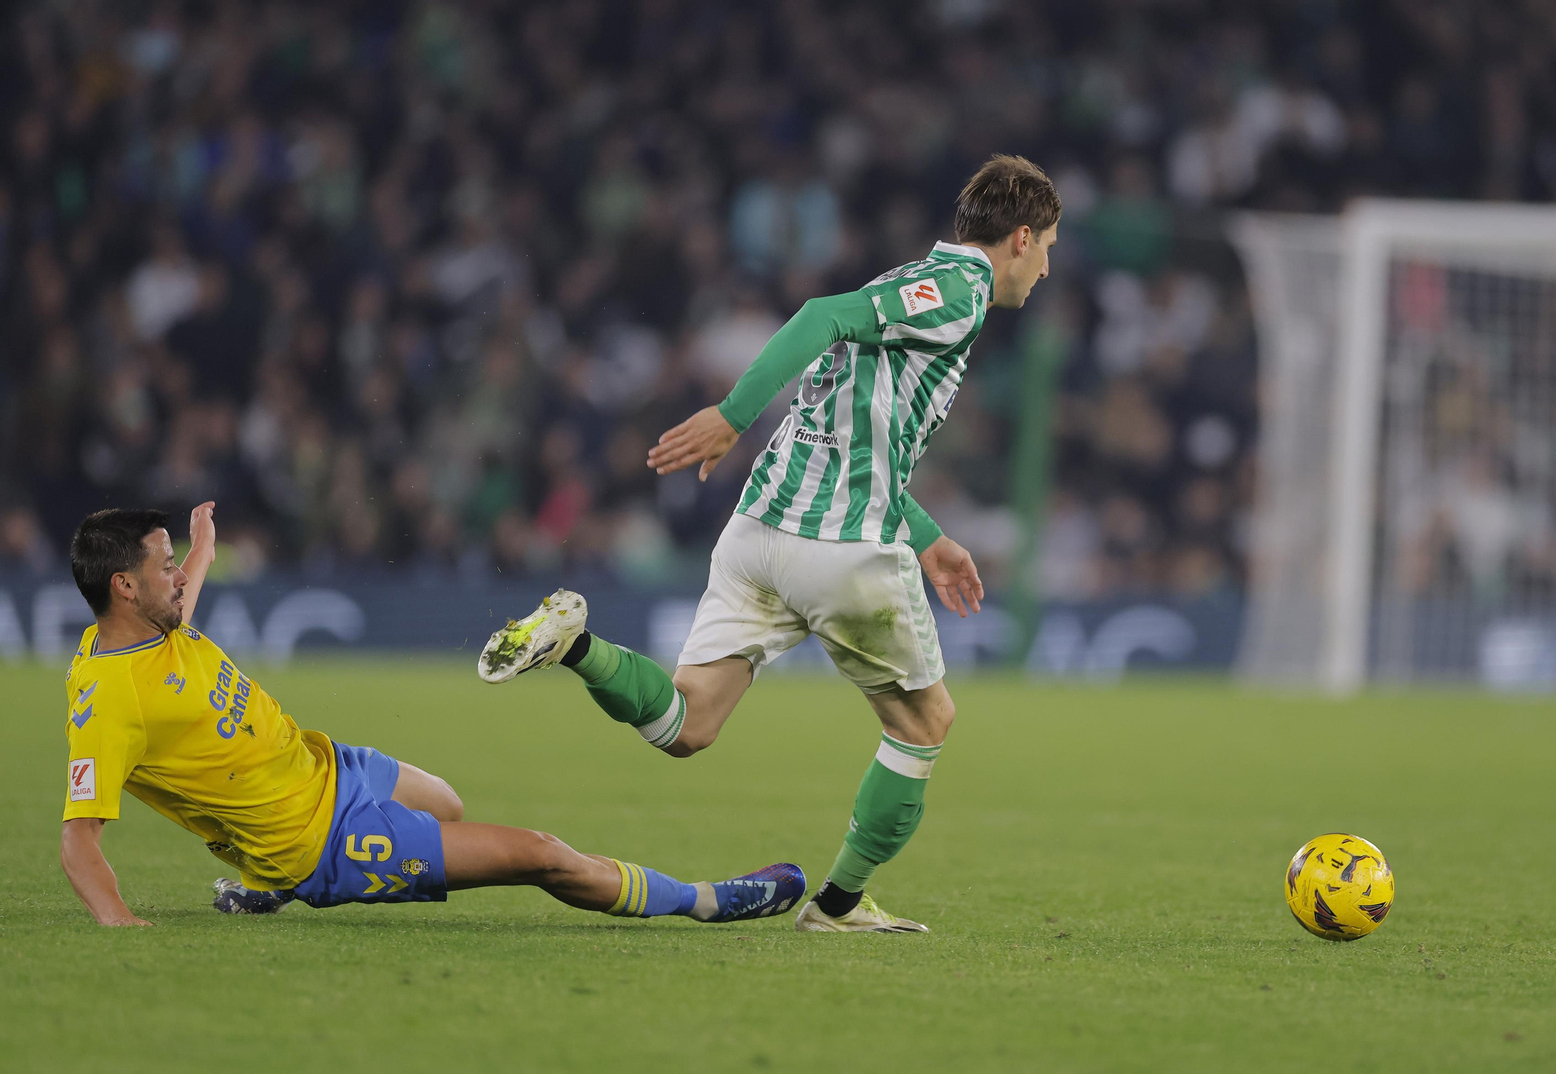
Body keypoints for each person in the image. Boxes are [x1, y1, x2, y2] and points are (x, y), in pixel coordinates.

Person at [479, 155, 1059, 932]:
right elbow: (820, 314)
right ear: (1020, 237)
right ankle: (838, 906)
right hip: (839, 547)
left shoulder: (915, 279)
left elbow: (856, 428)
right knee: (924, 724)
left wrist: (927, 537)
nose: (1047, 268)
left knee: (689, 725)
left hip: (759, 532)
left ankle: (574, 643)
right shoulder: (960, 289)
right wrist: (732, 412)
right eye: (1048, 246)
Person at [59, 503, 804, 925]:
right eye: (165, 566)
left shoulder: (149, 621)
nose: (179, 576)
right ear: (124, 587)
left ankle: (264, 885)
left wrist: (203, 548)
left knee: (446, 802)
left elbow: (183, 592)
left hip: (323, 766)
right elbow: (78, 840)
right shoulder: (109, 698)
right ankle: (706, 902)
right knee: (540, 854)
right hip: (320, 838)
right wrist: (119, 920)